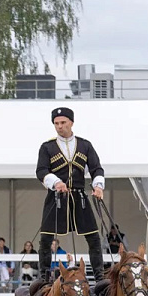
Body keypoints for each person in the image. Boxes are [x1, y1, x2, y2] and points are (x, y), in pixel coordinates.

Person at [35, 107, 105, 286]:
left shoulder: (85, 145)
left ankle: (99, 278)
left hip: (80, 197)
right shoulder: (47, 147)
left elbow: (96, 168)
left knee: (94, 238)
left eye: (63, 123)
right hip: (56, 197)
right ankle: (43, 278)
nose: (59, 127)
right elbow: (41, 170)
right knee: (45, 239)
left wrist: (98, 186)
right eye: (56, 123)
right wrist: (56, 182)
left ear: (71, 123)